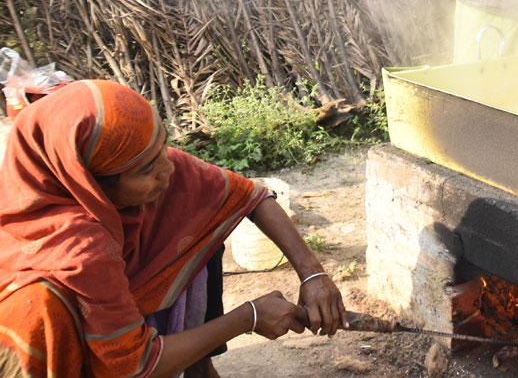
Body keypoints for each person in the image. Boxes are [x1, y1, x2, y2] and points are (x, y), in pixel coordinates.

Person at [0, 80, 348, 378]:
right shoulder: (79, 246)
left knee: (202, 222)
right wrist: (249, 316)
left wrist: (312, 276)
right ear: (88, 183)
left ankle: (199, 364)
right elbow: (136, 365)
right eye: (146, 169)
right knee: (40, 313)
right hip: (95, 356)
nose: (168, 169)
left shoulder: (150, 171)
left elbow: (249, 197)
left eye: (162, 148)